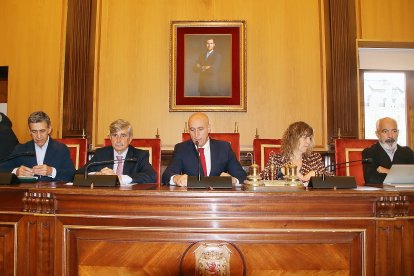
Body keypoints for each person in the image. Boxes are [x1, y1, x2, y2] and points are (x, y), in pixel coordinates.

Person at [162, 112, 246, 186]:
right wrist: (176, 178)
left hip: (219, 199)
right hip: (191, 199)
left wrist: (234, 180)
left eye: (200, 129)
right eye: (192, 130)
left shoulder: (224, 148)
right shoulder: (181, 149)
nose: (196, 135)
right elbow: (166, 176)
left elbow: (242, 175)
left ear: (209, 128)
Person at [0, 111, 75, 182]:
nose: (38, 136)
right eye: (34, 131)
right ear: (30, 131)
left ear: (49, 129)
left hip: (53, 193)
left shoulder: (61, 149)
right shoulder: (21, 149)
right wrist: (16, 171)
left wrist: (51, 171)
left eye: (42, 131)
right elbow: (2, 169)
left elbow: (72, 175)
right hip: (26, 193)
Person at [77, 119, 156, 184]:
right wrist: (96, 175)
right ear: (110, 138)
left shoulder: (139, 155)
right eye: (115, 135)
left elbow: (151, 176)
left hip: (129, 199)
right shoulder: (101, 154)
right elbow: (78, 174)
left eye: (123, 135)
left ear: (130, 139)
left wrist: (119, 178)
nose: (118, 140)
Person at [261, 121, 331, 183]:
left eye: (310, 138)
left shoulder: (315, 158)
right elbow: (262, 177)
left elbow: (331, 177)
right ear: (293, 139)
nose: (308, 142)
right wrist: (282, 171)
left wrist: (316, 173)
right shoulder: (276, 159)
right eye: (304, 138)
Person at [362, 117, 414, 184]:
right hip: (381, 194)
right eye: (385, 131)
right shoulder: (370, 152)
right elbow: (372, 179)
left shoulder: (407, 152)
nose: (390, 136)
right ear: (377, 134)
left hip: (405, 193)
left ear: (398, 133)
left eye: (394, 131)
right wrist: (404, 176)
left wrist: (388, 171)